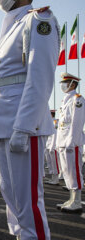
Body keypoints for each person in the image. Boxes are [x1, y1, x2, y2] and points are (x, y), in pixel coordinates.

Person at [0, 1, 59, 239]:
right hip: (2, 124)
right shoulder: (11, 25)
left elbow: (40, 78)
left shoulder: (37, 20)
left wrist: (24, 126)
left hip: (22, 124)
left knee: (28, 205)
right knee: (13, 202)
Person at [56, 73, 85, 213]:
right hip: (63, 141)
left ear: (73, 84)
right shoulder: (65, 100)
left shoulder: (77, 99)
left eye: (66, 83)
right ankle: (71, 198)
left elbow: (77, 123)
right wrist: (58, 142)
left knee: (74, 171)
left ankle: (77, 201)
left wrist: (71, 141)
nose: (63, 85)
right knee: (67, 171)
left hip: (71, 142)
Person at [44, 110, 60, 185]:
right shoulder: (49, 122)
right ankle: (52, 178)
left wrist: (52, 146)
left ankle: (56, 179)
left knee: (54, 163)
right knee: (50, 162)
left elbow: (55, 135)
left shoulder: (54, 122)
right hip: (47, 145)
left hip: (52, 146)